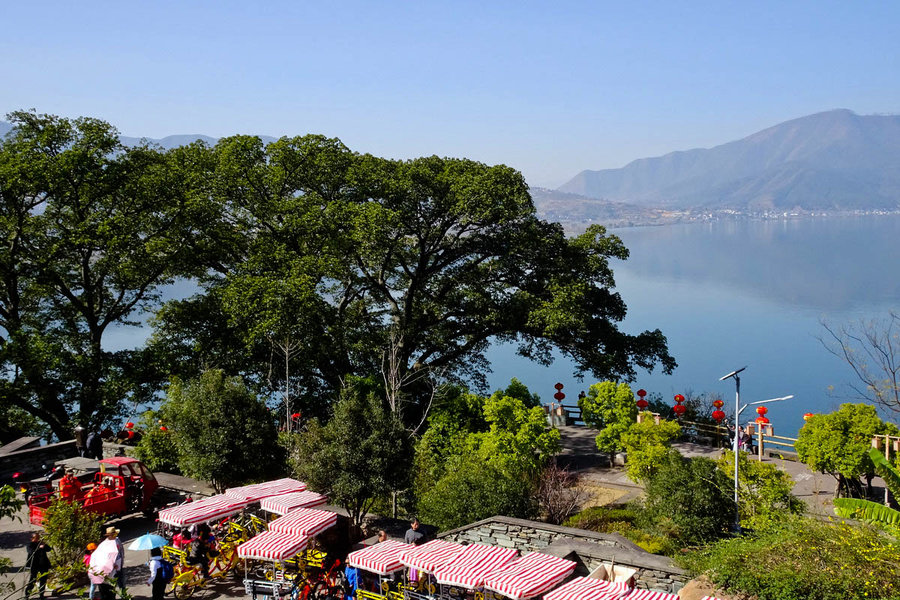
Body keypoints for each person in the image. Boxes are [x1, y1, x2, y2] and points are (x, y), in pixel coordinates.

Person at [25, 532, 52, 599]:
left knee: (43, 580)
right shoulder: (30, 544)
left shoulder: (41, 543)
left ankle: (41, 595)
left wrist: (44, 545)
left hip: (43, 564)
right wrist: (39, 548)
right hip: (34, 565)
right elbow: (31, 552)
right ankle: (27, 595)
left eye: (38, 538)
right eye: (36, 538)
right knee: (32, 580)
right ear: (32, 538)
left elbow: (49, 549)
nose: (37, 539)